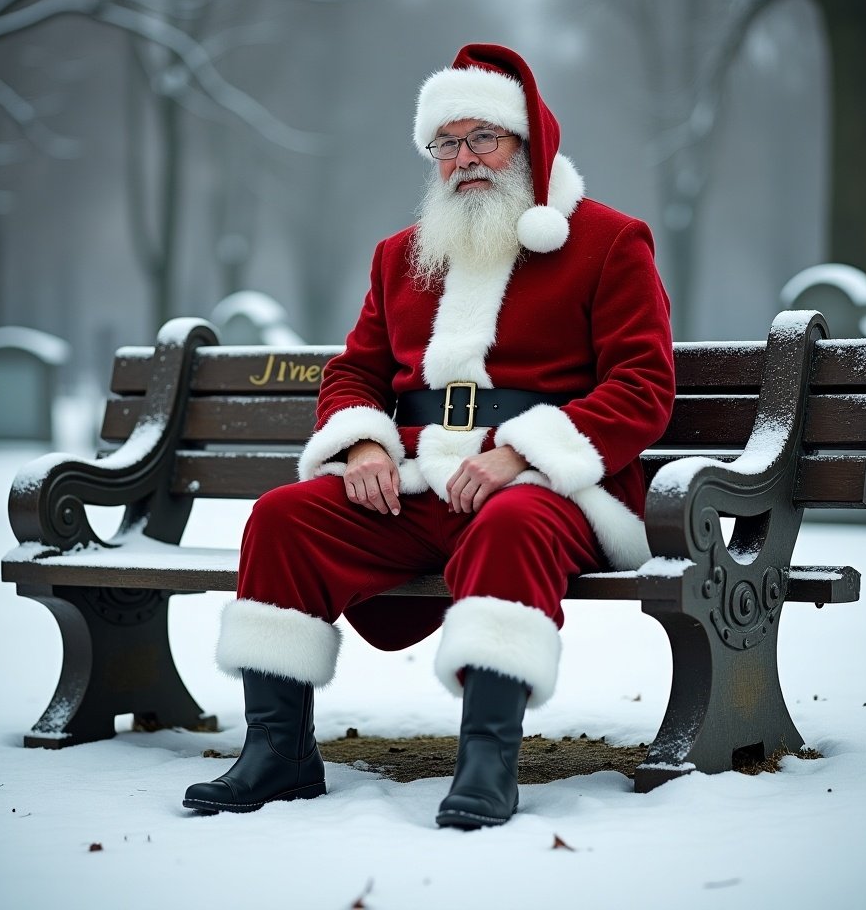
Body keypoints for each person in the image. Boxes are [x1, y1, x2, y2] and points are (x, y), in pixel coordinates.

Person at [183, 43, 675, 829]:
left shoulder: (610, 243)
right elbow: (354, 373)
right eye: (445, 143)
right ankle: (279, 753)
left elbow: (643, 389)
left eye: (484, 137)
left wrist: (523, 453)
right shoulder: (401, 258)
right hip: (418, 484)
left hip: (548, 489)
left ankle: (487, 762)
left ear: (529, 144)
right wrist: (366, 445)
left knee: (513, 519)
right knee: (284, 517)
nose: (463, 159)